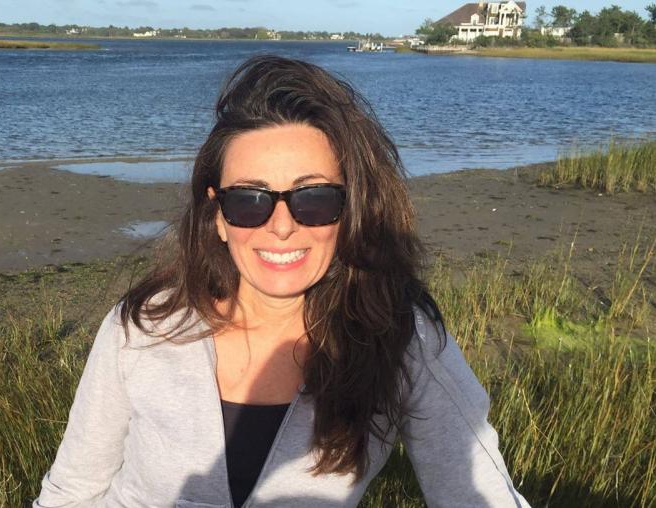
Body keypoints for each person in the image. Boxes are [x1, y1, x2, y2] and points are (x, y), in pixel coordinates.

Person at [34, 55, 530, 508]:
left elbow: (481, 495)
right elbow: (71, 495)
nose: (282, 226)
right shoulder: (143, 328)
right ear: (218, 215)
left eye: (313, 199)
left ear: (351, 209)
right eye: (249, 200)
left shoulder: (401, 337)